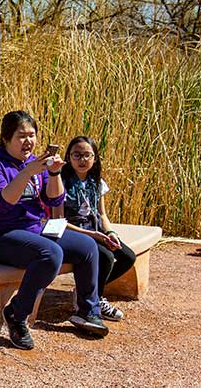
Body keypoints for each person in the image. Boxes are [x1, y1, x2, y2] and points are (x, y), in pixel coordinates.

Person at [0, 111, 109, 348]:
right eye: (21, 136)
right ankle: (17, 315)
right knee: (50, 253)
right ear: (6, 138)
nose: (28, 141)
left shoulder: (32, 162)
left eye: (32, 135)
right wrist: (27, 173)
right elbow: (0, 202)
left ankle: (88, 311)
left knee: (88, 247)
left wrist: (53, 173)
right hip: (2, 236)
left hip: (35, 229)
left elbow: (53, 200)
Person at [59, 135, 135, 322]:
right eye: (76, 155)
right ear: (68, 157)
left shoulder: (96, 183)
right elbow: (59, 220)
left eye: (87, 155)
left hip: (95, 229)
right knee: (106, 257)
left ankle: (88, 292)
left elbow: (102, 214)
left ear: (95, 157)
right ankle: (94, 298)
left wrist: (110, 233)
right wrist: (94, 235)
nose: (82, 160)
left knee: (127, 257)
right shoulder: (61, 182)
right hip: (75, 231)